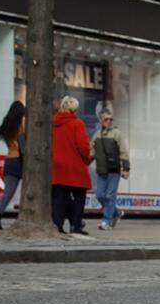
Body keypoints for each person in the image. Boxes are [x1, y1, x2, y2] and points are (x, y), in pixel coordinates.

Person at [50, 96, 93, 235]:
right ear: (74, 108)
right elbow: (83, 146)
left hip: (57, 166)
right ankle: (76, 225)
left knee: (59, 198)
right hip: (74, 166)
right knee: (79, 196)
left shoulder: (53, 123)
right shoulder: (77, 123)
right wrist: (87, 159)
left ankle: (57, 225)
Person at [91, 108, 130, 230]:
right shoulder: (96, 134)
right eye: (106, 119)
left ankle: (106, 221)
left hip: (114, 170)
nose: (109, 121)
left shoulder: (117, 133)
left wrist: (126, 168)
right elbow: (91, 151)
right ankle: (116, 212)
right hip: (101, 170)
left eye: (111, 119)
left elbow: (124, 151)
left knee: (110, 195)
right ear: (100, 120)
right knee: (99, 195)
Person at [0, 101, 26, 231]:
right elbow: (22, 147)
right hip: (18, 161)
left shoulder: (6, 125)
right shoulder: (20, 126)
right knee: (9, 193)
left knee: (8, 192)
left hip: (9, 160)